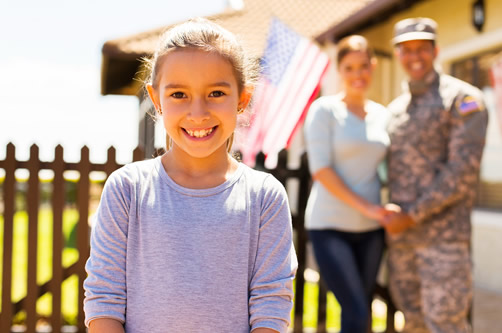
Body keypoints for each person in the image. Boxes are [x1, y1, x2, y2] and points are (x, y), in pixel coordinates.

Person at [83, 18, 298, 333]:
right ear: (156, 99)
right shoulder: (127, 189)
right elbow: (105, 299)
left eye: (215, 93)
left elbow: (271, 306)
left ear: (242, 98)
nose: (198, 113)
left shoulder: (264, 197)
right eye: (179, 95)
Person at [383, 17, 489, 333]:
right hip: (403, 244)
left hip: (444, 244)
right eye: (406, 50)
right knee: (412, 323)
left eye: (422, 49)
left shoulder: (463, 100)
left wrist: (412, 216)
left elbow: (462, 172)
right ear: (399, 55)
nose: (414, 57)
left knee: (446, 325)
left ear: (436, 51)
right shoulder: (395, 109)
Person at [303, 35, 392, 333]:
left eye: (363, 66)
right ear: (339, 70)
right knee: (355, 311)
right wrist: (370, 208)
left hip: (371, 231)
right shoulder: (324, 111)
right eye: (350, 67)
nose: (358, 74)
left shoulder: (383, 115)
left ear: (373, 66)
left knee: (361, 310)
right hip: (330, 227)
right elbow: (321, 170)